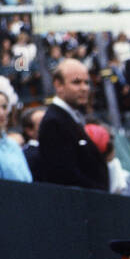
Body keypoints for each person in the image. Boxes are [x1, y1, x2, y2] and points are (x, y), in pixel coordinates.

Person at [35, 58, 109, 190]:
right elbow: (65, 177)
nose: (84, 88)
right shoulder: (54, 123)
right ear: (58, 85)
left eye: (86, 82)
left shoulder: (69, 116)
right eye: (76, 82)